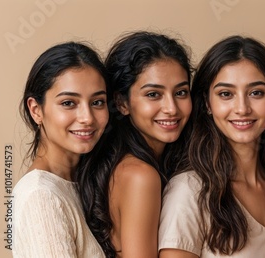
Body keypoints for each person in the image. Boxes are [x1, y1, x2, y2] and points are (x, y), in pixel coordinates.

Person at [158, 35, 265, 258]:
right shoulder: (189, 192)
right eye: (226, 94)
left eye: (256, 93)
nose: (242, 108)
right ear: (207, 103)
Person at [75, 31, 192, 258]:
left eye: (180, 92)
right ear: (122, 103)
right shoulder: (141, 175)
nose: (171, 107)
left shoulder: (124, 164)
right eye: (153, 94)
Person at [13, 42, 108, 257]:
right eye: (68, 103)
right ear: (36, 110)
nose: (87, 118)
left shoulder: (82, 183)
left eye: (97, 102)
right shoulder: (41, 196)